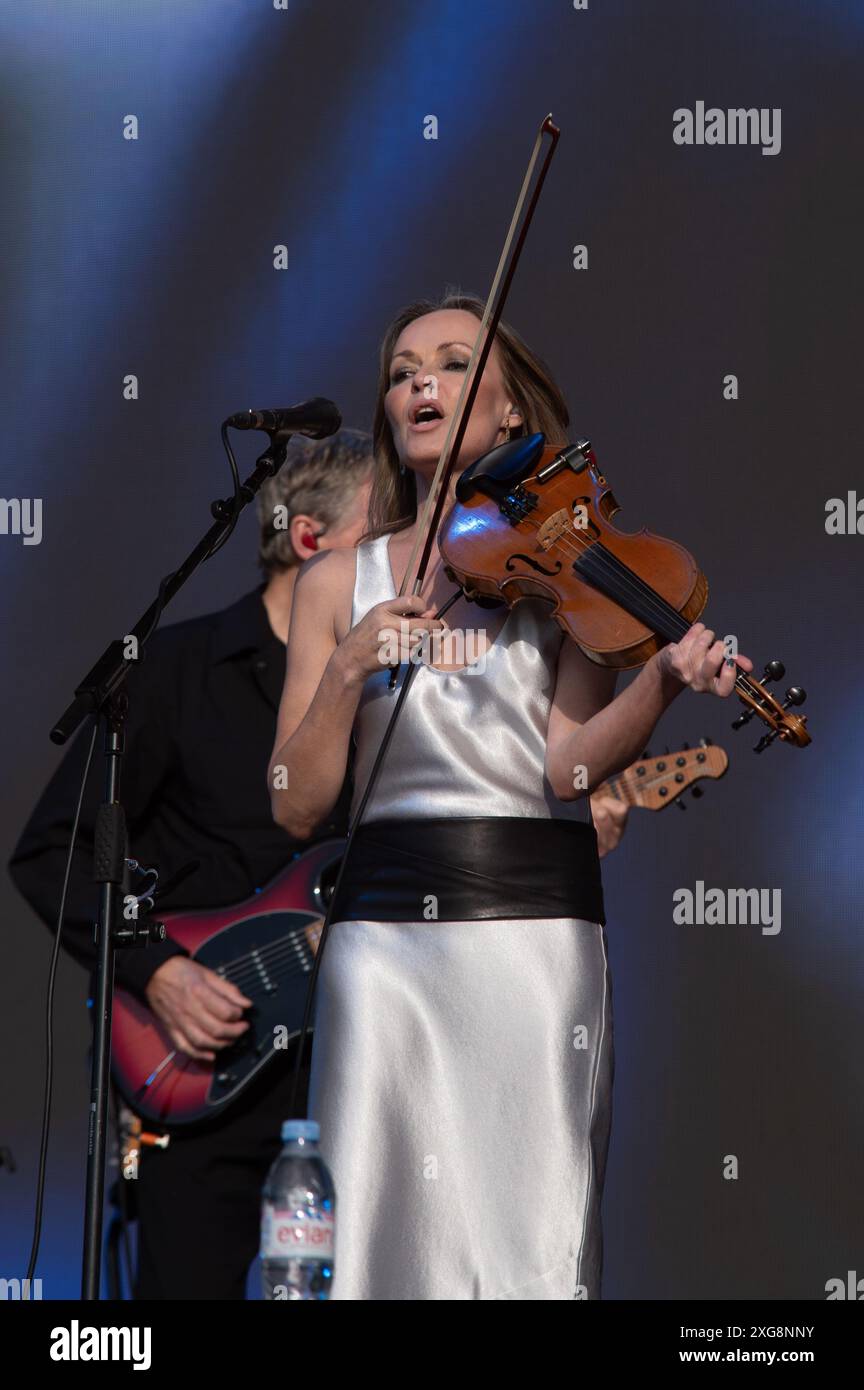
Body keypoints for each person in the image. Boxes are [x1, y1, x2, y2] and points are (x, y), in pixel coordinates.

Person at [268, 293, 752, 1301]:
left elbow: (569, 768)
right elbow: (294, 802)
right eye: (402, 370)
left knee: (528, 1247)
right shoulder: (334, 585)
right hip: (381, 953)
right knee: (370, 1242)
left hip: (531, 947)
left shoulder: (563, 567)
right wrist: (351, 663)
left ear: (508, 410)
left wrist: (662, 679)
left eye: (450, 362)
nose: (420, 383)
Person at [9, 430, 373, 1300]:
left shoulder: (393, 695)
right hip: (195, 1078)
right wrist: (160, 972)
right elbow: (52, 851)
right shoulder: (174, 670)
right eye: (383, 533)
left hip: (351, 1070)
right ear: (311, 541)